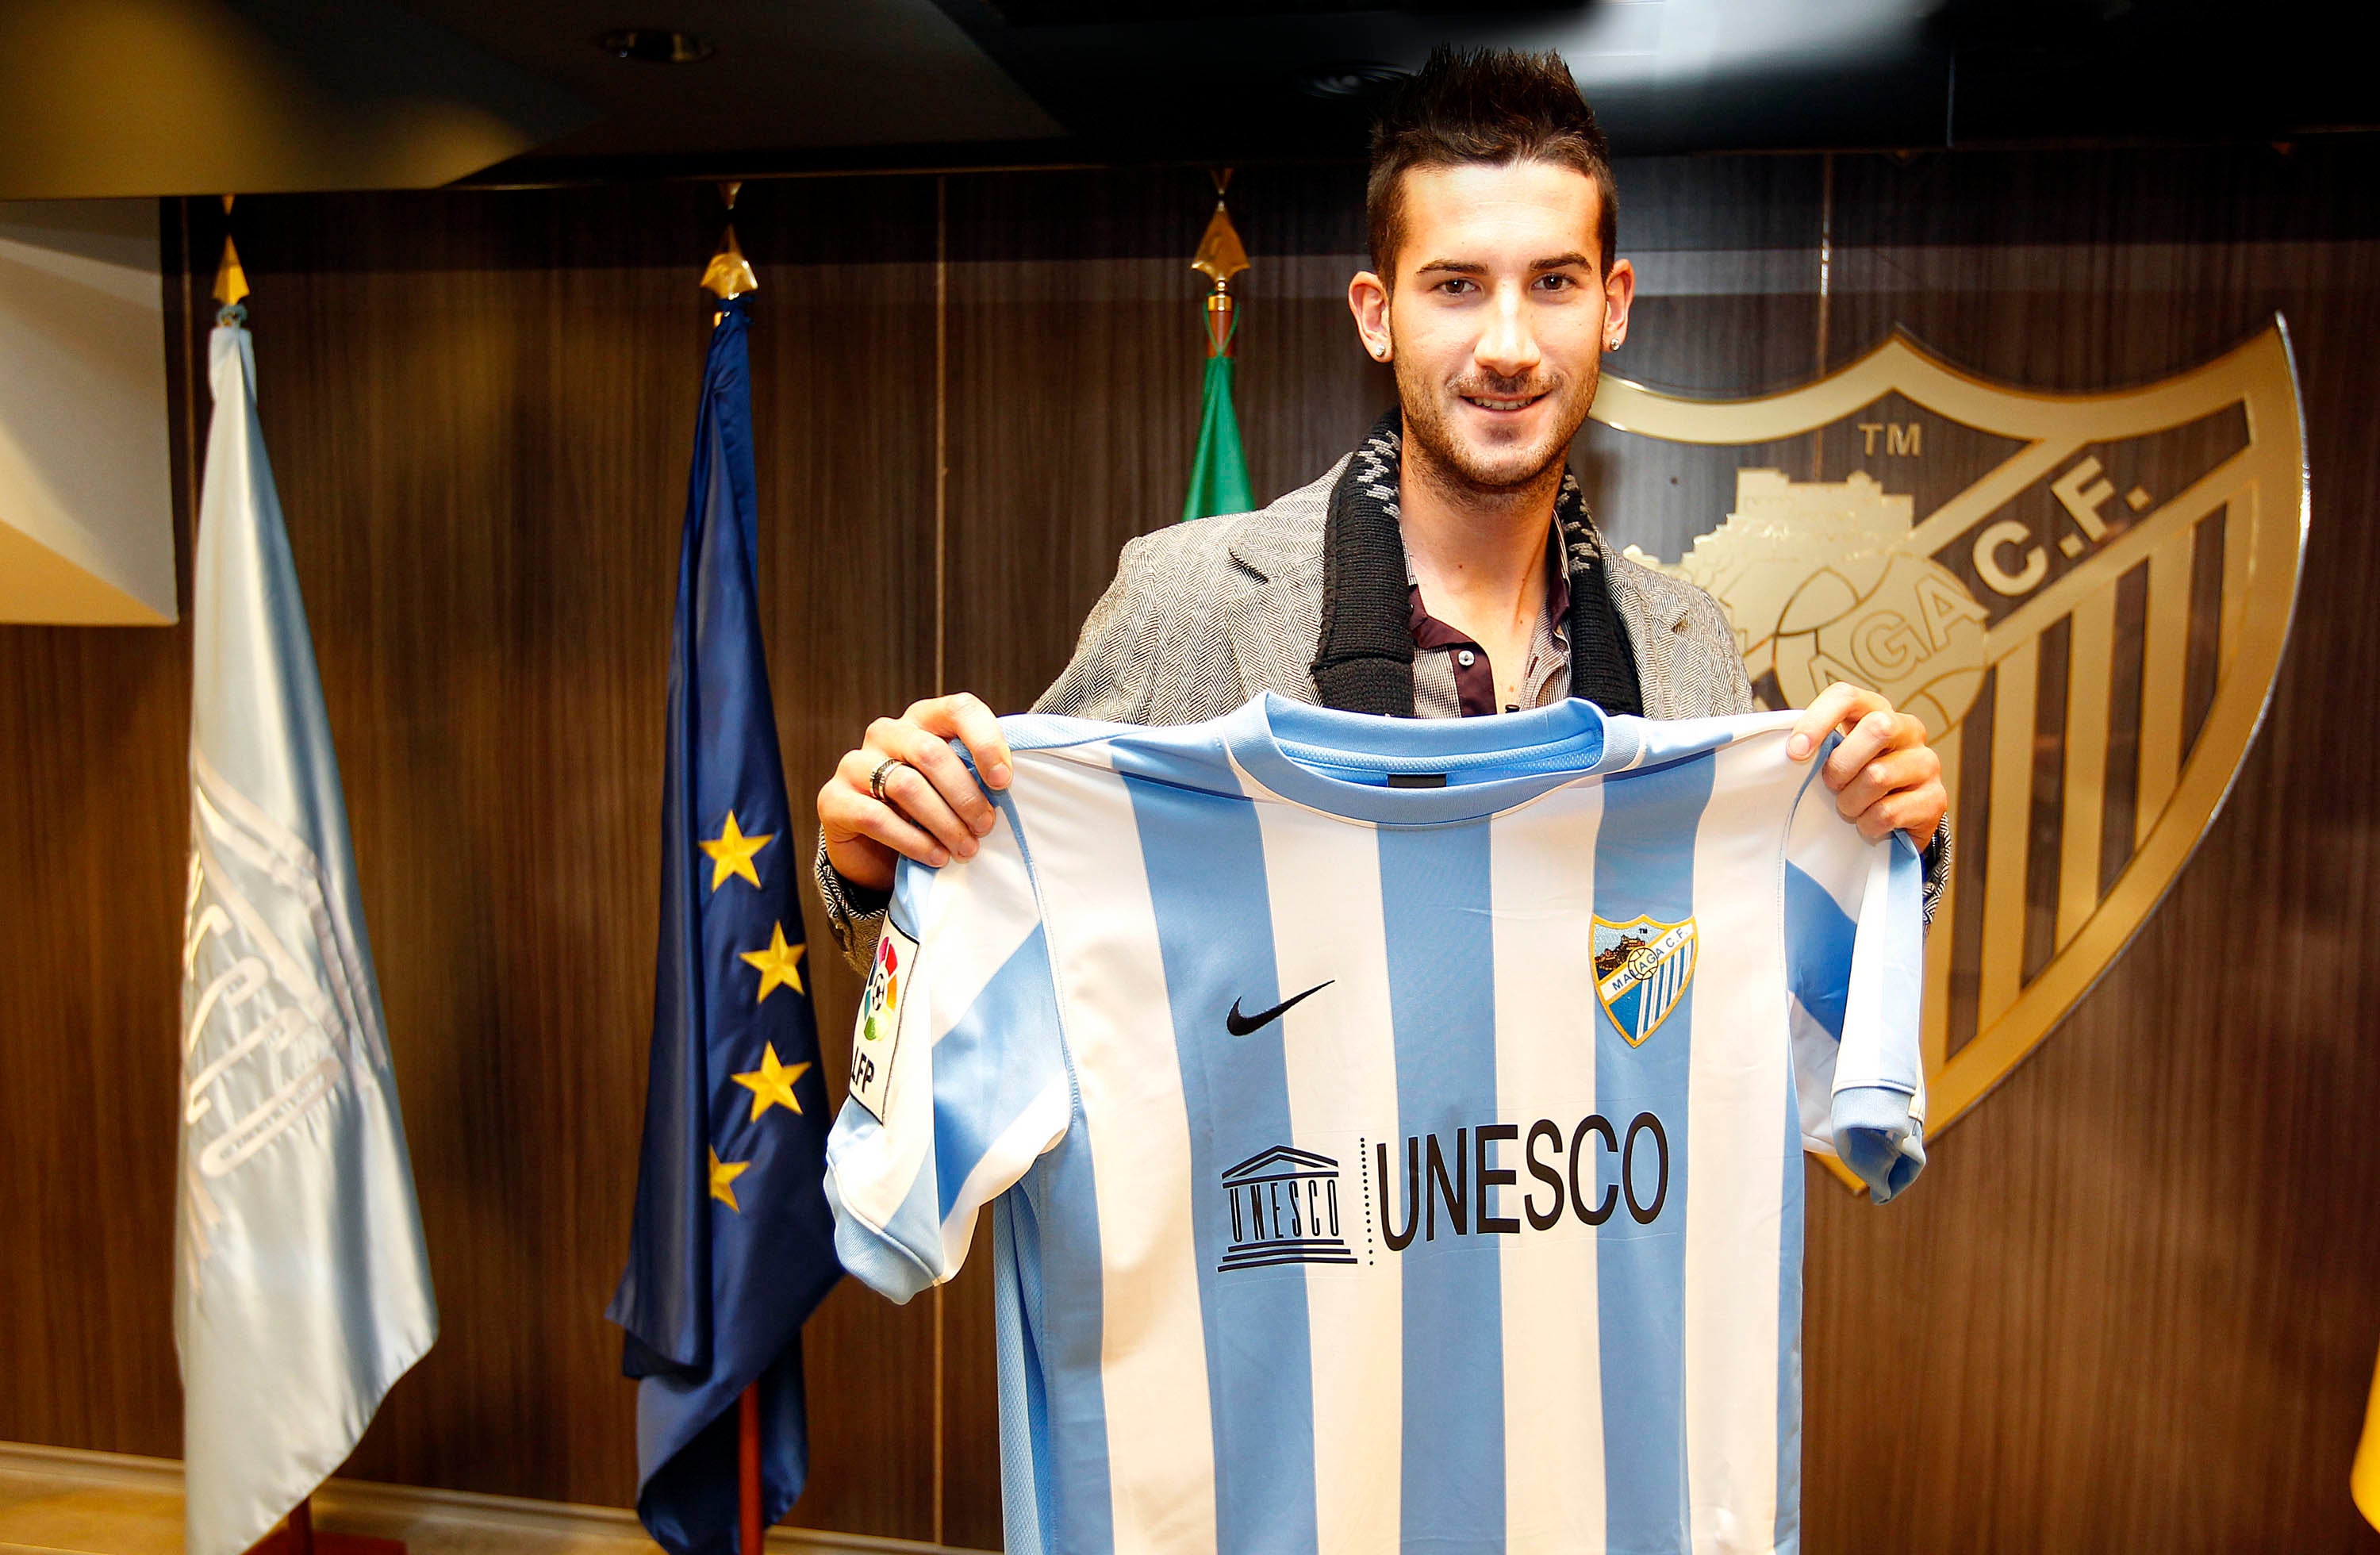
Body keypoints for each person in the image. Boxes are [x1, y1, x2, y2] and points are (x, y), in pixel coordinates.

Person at [815, 46, 1949, 969]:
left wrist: (1886, 843)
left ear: (1612, 307)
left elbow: (1758, 984)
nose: (1506, 346)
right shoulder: (1188, 604)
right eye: (1456, 286)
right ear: (1376, 314)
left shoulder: (1687, 645)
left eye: (1552, 283)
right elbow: (1021, 917)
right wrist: (880, 856)